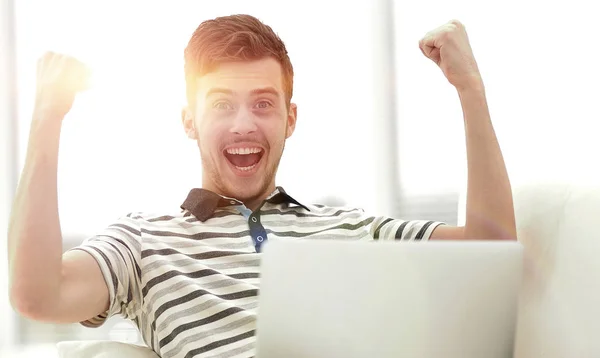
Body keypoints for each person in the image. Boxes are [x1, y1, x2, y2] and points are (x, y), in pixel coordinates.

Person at [8, 14, 516, 358]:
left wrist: (469, 88)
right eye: (222, 104)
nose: (244, 124)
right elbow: (39, 294)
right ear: (190, 121)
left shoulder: (354, 229)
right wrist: (48, 116)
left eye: (264, 103)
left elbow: (488, 253)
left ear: (290, 119)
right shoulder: (143, 243)